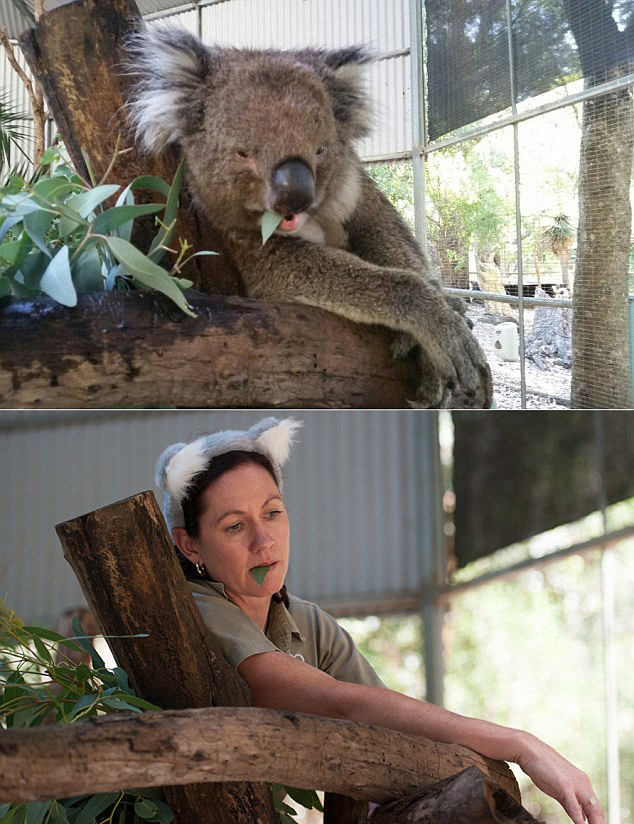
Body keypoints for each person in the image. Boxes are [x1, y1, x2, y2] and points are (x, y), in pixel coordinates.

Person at [155, 417, 604, 824]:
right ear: (190, 546)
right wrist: (520, 745)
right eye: (234, 526)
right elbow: (342, 703)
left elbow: (393, 726)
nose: (263, 540)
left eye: (272, 512)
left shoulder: (309, 624)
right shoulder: (194, 610)